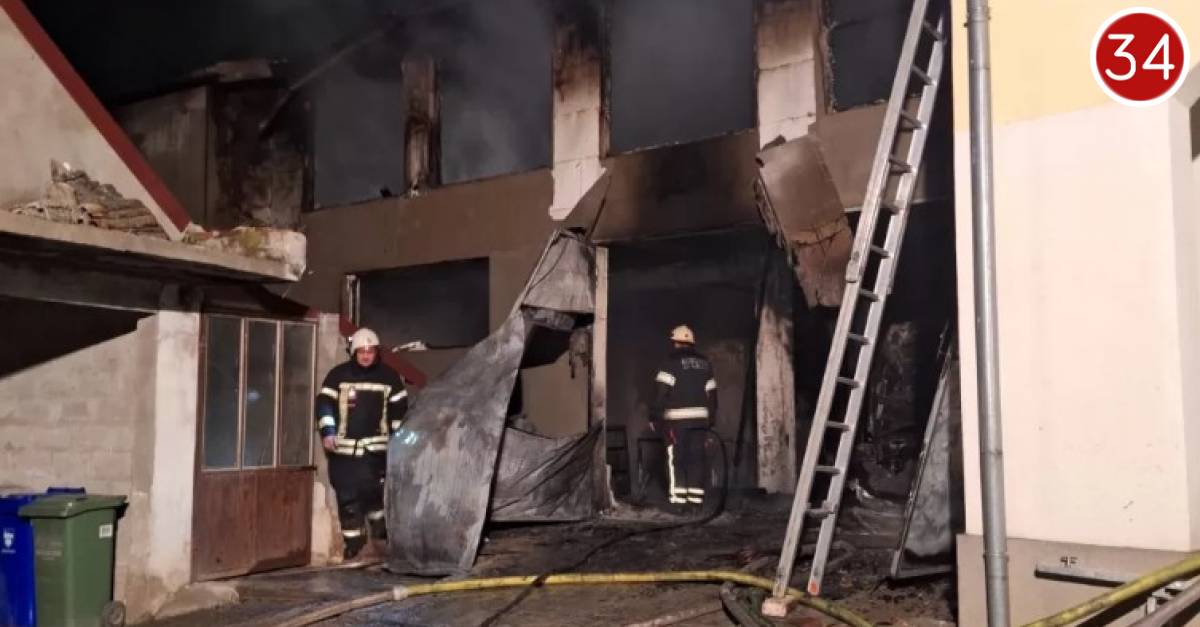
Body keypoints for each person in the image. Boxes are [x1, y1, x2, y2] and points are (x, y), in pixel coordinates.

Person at [316, 327, 408, 559]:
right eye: (361, 351)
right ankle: (354, 546)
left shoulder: (389, 377)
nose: (366, 356)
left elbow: (399, 411)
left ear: (376, 352)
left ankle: (380, 541)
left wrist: (399, 442)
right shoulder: (337, 376)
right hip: (344, 454)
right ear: (353, 352)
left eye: (370, 351)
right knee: (347, 499)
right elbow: (324, 405)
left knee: (376, 500)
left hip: (376, 453)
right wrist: (328, 432)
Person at [649, 325, 717, 507]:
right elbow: (712, 395)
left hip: (676, 422)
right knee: (697, 459)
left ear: (676, 343)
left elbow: (660, 393)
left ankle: (678, 503)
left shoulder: (669, 363)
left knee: (676, 459)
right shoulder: (705, 364)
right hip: (700, 422)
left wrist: (654, 417)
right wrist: (710, 422)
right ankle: (695, 502)